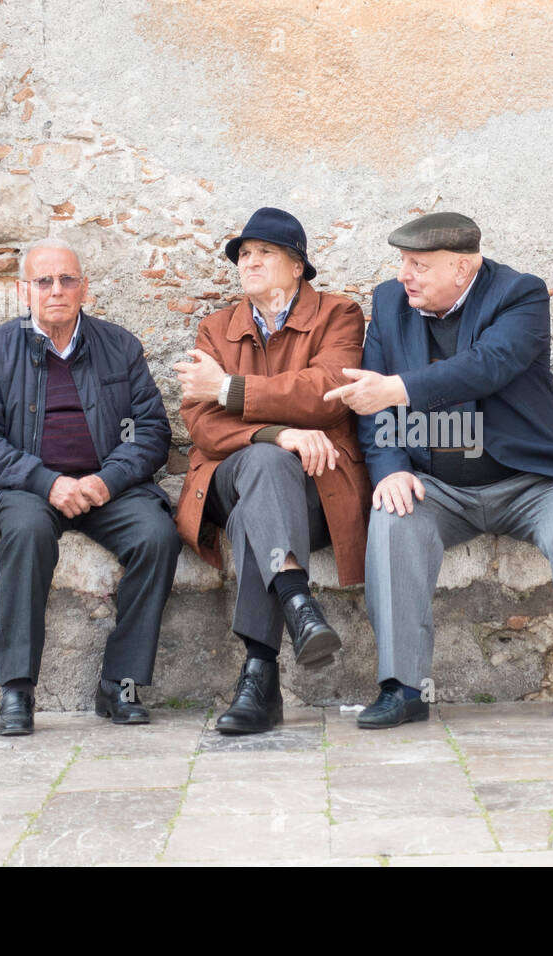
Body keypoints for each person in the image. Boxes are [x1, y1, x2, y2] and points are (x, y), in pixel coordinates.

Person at [327, 212, 553, 729]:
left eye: (419, 265)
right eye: (403, 262)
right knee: (392, 522)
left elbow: (488, 365)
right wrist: (389, 467)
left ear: (463, 268)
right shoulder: (390, 302)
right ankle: (402, 688)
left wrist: (398, 388)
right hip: (436, 485)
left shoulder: (519, 295)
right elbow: (371, 403)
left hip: (531, 480)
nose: (405, 275)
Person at [0, 237, 180, 736]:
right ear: (23, 290)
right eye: (44, 281)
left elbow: (152, 432)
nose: (57, 290)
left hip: (106, 487)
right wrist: (47, 482)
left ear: (84, 288)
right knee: (28, 531)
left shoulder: (120, 346)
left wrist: (108, 477)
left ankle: (120, 681)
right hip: (26, 489)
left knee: (157, 536)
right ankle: (17, 688)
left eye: (67, 279)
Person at [173, 207, 369, 734]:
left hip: (315, 490)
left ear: (298, 266)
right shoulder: (215, 329)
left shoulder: (340, 316)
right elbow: (202, 425)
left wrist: (229, 389)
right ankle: (298, 602)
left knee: (253, 518)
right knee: (263, 460)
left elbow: (328, 393)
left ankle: (259, 677)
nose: (249, 262)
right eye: (244, 254)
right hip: (225, 477)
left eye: (265, 253)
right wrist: (277, 434)